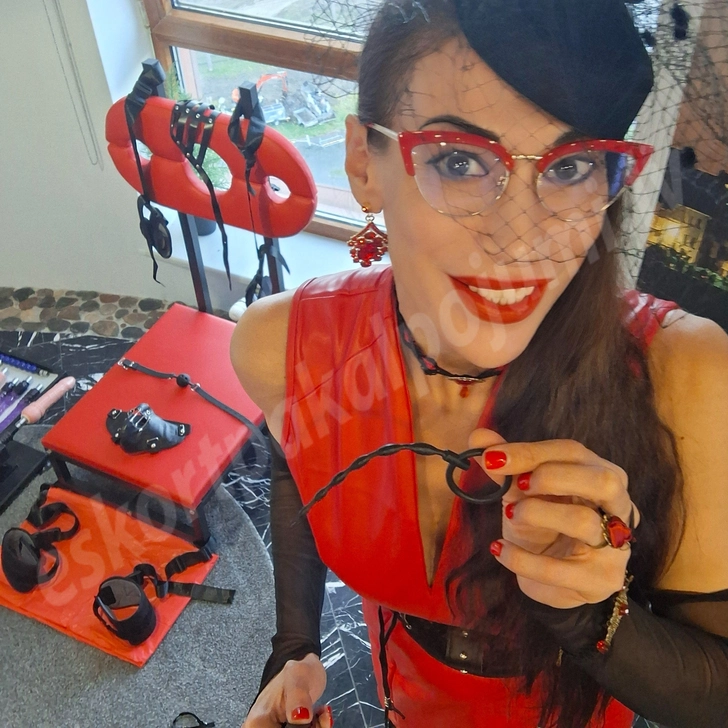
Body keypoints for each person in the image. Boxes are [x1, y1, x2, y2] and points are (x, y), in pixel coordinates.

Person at [231, 1, 728, 726]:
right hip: (403, 689)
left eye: (572, 166)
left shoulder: (686, 375)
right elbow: (295, 460)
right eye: (459, 161)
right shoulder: (283, 346)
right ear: (363, 164)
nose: (519, 241)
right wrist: (294, 645)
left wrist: (594, 617)